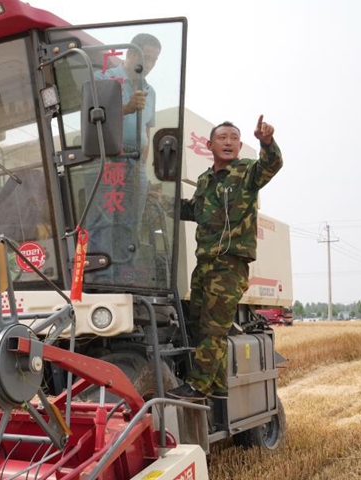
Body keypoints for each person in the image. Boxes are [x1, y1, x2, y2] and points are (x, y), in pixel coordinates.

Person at [167, 115, 283, 401]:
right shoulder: (206, 180)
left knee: (214, 329)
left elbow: (272, 165)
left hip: (230, 263)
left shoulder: (246, 173)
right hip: (205, 263)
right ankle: (218, 386)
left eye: (233, 138)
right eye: (222, 138)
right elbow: (194, 209)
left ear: (240, 145)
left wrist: (266, 142)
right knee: (195, 324)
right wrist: (159, 202)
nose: (228, 142)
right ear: (210, 145)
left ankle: (199, 386)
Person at [86, 34, 161, 284]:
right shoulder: (103, 79)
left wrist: (144, 169)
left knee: (131, 222)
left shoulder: (150, 92)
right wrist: (127, 108)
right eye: (145, 57)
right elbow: (94, 118)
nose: (148, 63)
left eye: (153, 59)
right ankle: (102, 279)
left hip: (135, 162)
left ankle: (125, 278)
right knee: (104, 221)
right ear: (130, 54)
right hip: (108, 158)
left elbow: (146, 133)